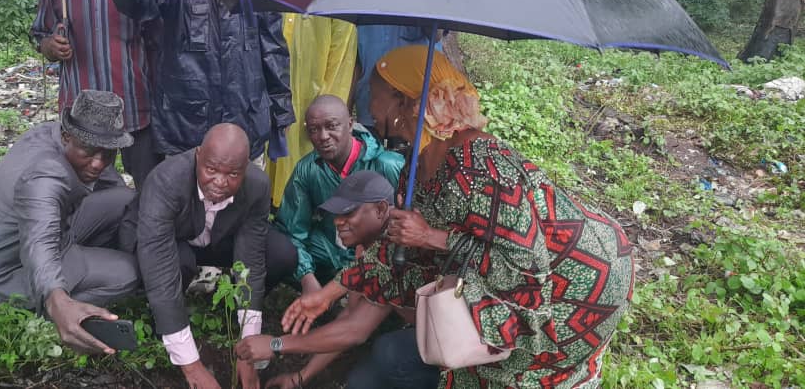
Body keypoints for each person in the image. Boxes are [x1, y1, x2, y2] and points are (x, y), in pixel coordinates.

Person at [247, 45, 636, 389]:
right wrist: (329, 293)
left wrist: (435, 238)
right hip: (499, 277)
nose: (368, 106)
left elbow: (523, 271)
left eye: (376, 95)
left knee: (506, 367)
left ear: (406, 104)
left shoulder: (483, 168)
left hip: (576, 287)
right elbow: (394, 247)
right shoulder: (415, 167)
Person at [0, 91, 141, 355]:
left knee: (126, 201)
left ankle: (74, 276)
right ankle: (58, 317)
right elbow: (39, 241)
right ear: (67, 137)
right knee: (126, 273)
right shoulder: (44, 175)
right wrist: (55, 299)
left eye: (108, 153)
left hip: (48, 231)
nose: (99, 163)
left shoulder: (62, 135)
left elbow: (110, 183)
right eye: (89, 151)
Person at [121, 123, 298, 389]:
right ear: (198, 156)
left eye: (233, 174)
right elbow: (160, 267)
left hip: (215, 236)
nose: (219, 182)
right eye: (211, 169)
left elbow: (251, 259)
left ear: (246, 168)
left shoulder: (257, 186)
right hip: (167, 239)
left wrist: (248, 349)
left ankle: (228, 307)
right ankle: (166, 326)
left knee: (280, 253)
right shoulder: (167, 180)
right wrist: (192, 366)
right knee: (177, 266)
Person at [110, 0, 294, 167]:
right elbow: (136, 3)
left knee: (245, 198)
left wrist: (281, 109)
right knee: (187, 200)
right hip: (186, 130)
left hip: (246, 125)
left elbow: (273, 47)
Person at [241, 171, 402, 388]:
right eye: (336, 214)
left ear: (381, 209)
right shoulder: (365, 247)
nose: (338, 222)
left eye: (349, 213)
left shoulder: (398, 247)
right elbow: (350, 317)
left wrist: (275, 344)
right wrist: (301, 377)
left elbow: (356, 330)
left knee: (386, 352)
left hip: (446, 347)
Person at [29, 0, 159, 185]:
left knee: (149, 187)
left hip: (134, 105)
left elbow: (156, 31)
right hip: (82, 114)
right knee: (85, 189)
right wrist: (52, 46)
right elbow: (40, 35)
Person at [274, 95, 404, 295]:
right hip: (330, 251)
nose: (323, 136)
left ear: (350, 124)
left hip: (379, 253)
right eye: (314, 130)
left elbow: (410, 221)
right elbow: (291, 230)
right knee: (278, 249)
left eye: (331, 126)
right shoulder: (308, 169)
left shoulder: (388, 165)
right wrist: (307, 278)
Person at [267, 14, 357, 206]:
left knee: (302, 186)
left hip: (309, 108)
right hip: (265, 99)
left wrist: (326, 120)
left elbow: (340, 61)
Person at [350, 25, 431, 134]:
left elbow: (436, 35)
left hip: (416, 112)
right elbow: (354, 63)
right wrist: (346, 110)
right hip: (369, 107)